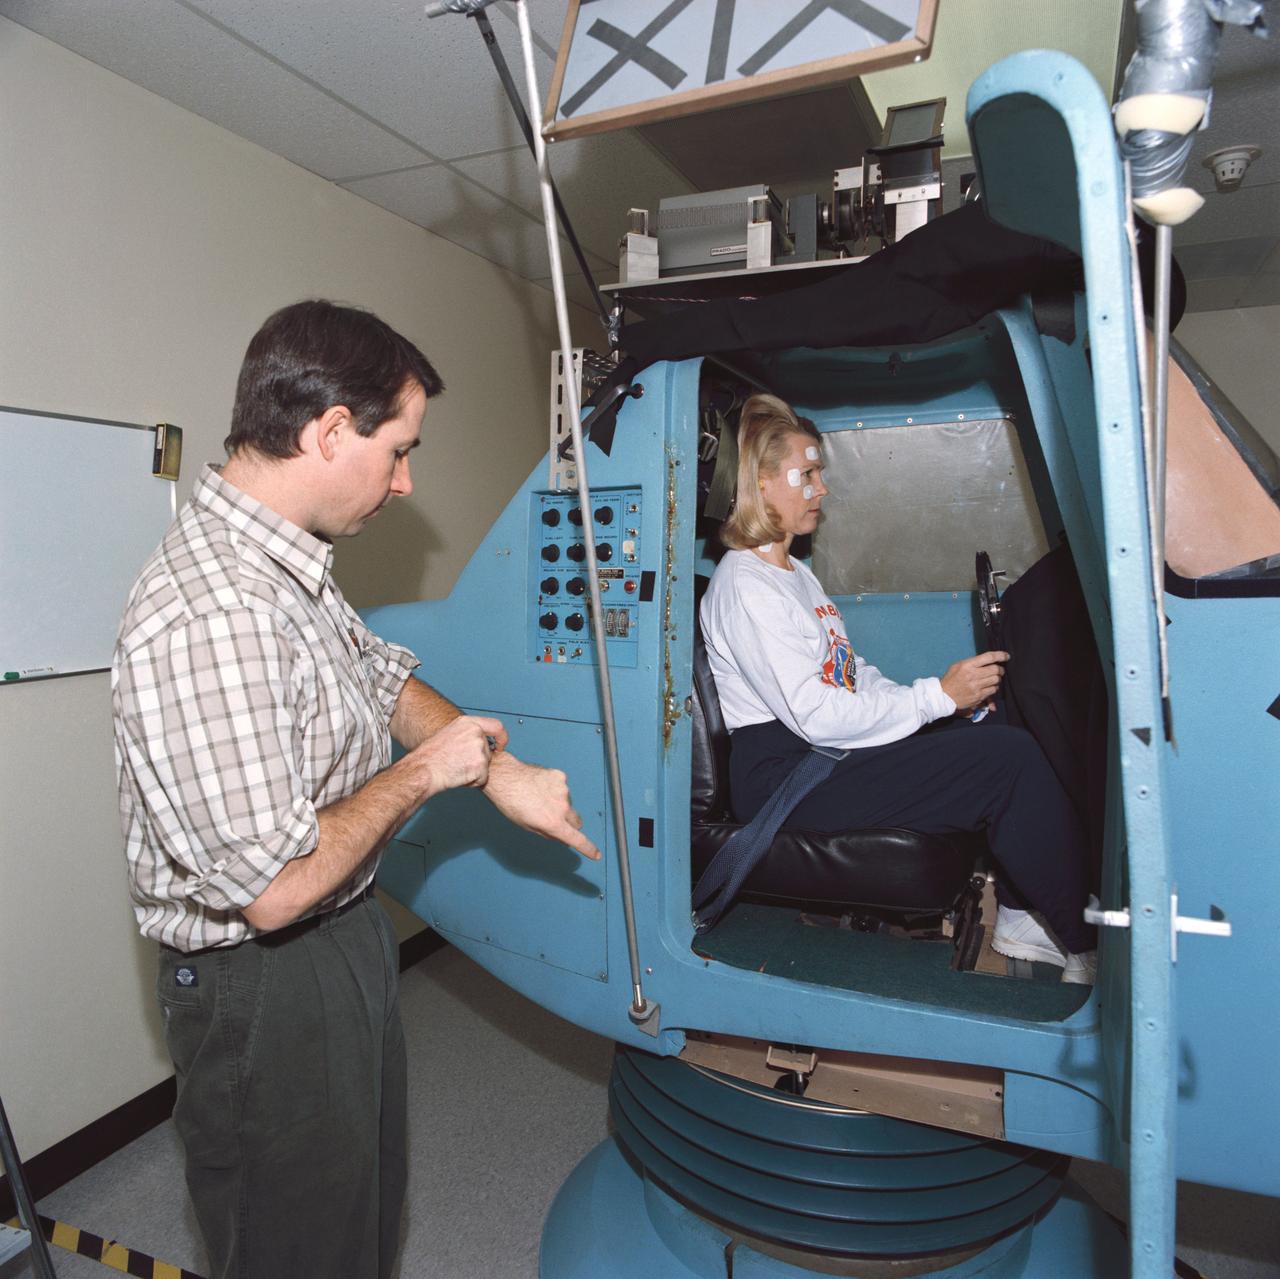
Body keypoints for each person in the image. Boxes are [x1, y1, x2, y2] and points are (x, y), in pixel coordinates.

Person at [111, 299, 600, 1279]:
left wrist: (495, 770)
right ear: (330, 430)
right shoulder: (215, 611)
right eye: (398, 450)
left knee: (359, 1215)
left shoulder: (283, 564)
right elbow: (274, 887)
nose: (405, 481)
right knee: (296, 1246)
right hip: (264, 978)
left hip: (337, 936)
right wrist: (427, 770)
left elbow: (377, 675)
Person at [699, 393, 1096, 982]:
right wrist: (935, 697)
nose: (821, 488)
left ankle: (1020, 915)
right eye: (806, 475)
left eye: (820, 474)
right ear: (759, 484)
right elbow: (815, 713)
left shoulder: (794, 573)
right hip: (785, 774)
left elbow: (850, 672)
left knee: (1001, 723)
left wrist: (944, 704)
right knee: (1006, 759)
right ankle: (1083, 944)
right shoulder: (745, 585)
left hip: (820, 754)